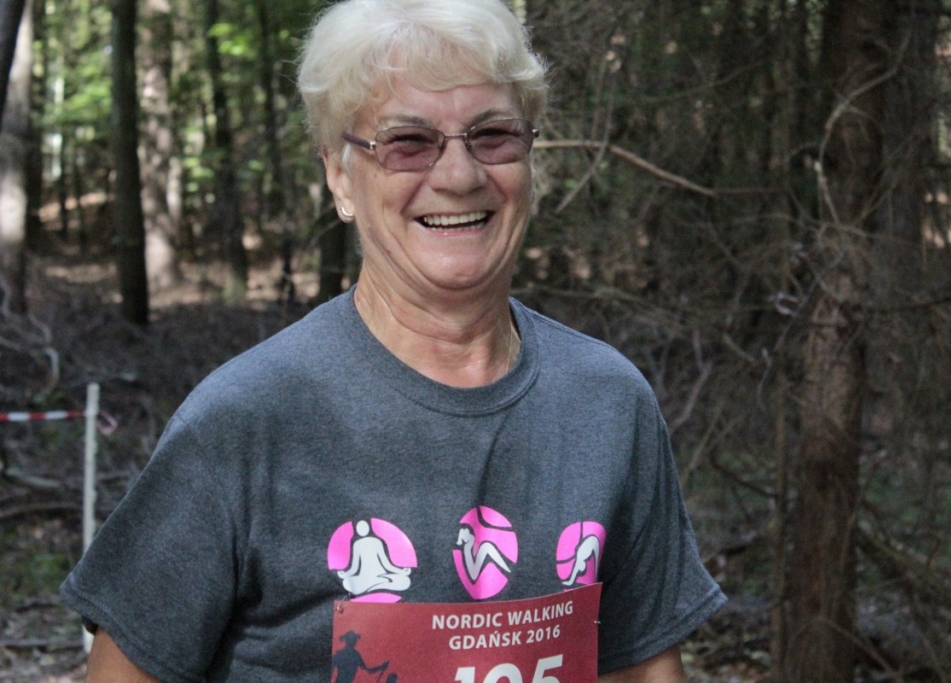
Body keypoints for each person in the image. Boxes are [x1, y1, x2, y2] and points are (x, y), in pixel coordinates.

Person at [60, 0, 726, 681]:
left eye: (493, 135)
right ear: (339, 175)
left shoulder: (608, 405)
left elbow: (644, 671)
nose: (460, 175)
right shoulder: (244, 421)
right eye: (408, 141)